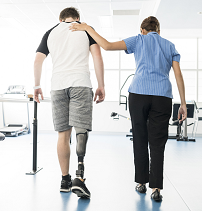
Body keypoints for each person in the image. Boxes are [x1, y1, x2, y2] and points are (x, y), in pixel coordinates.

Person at [70, 16, 187, 202]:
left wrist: (87, 28)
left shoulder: (138, 40)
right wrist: (182, 103)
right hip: (163, 96)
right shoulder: (169, 45)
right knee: (157, 143)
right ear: (158, 30)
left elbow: (107, 46)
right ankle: (156, 188)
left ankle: (141, 182)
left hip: (138, 95)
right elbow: (178, 74)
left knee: (139, 139)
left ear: (142, 29)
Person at [33, 7, 105, 199]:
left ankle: (65, 179)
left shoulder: (50, 32)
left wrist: (37, 85)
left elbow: (38, 61)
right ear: (77, 18)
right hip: (81, 83)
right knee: (81, 129)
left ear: (60, 19)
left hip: (58, 85)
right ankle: (79, 176)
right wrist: (101, 85)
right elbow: (97, 56)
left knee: (63, 135)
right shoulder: (85, 29)